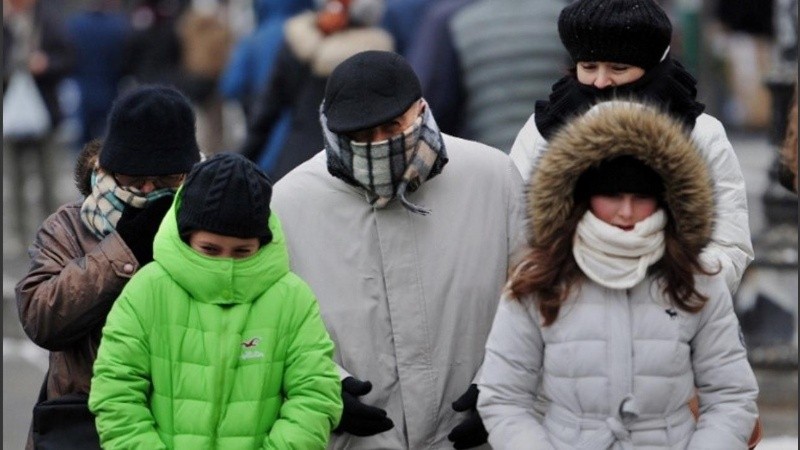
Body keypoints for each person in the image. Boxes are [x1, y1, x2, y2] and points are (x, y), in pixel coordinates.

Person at [271, 50, 526, 449]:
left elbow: (536, 298)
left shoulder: (493, 178)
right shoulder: (287, 204)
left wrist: (503, 387)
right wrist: (325, 387)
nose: (377, 145)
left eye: (392, 127)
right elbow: (270, 324)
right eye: (359, 135)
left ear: (420, 111)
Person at [478, 101, 760, 449]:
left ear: (664, 198)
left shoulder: (696, 279)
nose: (626, 212)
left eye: (641, 196)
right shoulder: (539, 280)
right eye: (611, 195)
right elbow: (504, 397)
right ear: (582, 193)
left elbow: (731, 396)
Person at [88, 152, 342, 449]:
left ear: (261, 242)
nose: (225, 264)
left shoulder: (292, 299)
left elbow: (315, 395)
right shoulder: (147, 290)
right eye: (210, 249)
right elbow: (116, 391)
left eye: (241, 252)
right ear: (186, 236)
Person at [508, 0, 753, 294]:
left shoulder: (701, 134)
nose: (600, 81)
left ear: (650, 66)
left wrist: (668, 291)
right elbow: (515, 233)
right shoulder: (543, 130)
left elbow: (729, 246)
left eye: (618, 68)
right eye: (588, 67)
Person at [15, 85, 201, 450]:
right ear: (110, 168)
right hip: (86, 424)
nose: (148, 189)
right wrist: (121, 252)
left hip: (185, 420)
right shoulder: (69, 226)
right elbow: (40, 316)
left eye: (165, 180)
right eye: (135, 179)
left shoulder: (209, 217)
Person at [239, 0, 392, 182]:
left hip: (295, 162)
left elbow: (264, 116)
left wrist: (241, 162)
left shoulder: (296, 43)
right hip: (353, 168)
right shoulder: (376, 56)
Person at [408, 0, 567, 152]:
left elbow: (427, 111)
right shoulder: (570, 13)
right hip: (560, 161)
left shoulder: (450, 18)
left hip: (487, 164)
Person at [3, 0, 75, 248]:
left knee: (48, 178)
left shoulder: (49, 20)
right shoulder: (6, 22)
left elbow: (69, 59)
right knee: (15, 179)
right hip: (9, 113)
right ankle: (20, 235)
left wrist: (46, 65)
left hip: (44, 110)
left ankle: (53, 236)